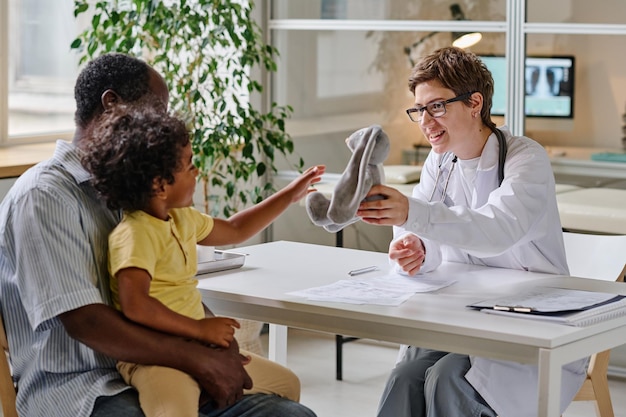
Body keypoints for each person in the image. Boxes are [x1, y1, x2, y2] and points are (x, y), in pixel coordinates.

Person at [0, 52, 318, 417]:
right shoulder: (45, 196)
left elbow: (175, 288)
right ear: (111, 103)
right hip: (84, 388)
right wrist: (196, 354)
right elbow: (87, 322)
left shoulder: (141, 193)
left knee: (292, 415)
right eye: (157, 109)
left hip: (174, 363)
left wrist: (215, 347)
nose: (160, 123)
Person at [356, 46, 587, 417]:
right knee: (406, 376)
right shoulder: (438, 161)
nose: (427, 122)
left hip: (533, 319)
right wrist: (414, 250)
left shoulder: (524, 158)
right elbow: (426, 238)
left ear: (474, 103)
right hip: (465, 311)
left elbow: (496, 231)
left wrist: (413, 214)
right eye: (419, 110)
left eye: (437, 107)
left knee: (447, 377)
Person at [80, 103, 325, 417]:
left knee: (286, 383)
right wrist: (200, 329)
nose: (197, 171)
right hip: (156, 360)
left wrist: (289, 195)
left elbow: (236, 228)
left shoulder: (182, 219)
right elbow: (136, 305)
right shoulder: (134, 233)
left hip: (199, 348)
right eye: (189, 165)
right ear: (160, 184)